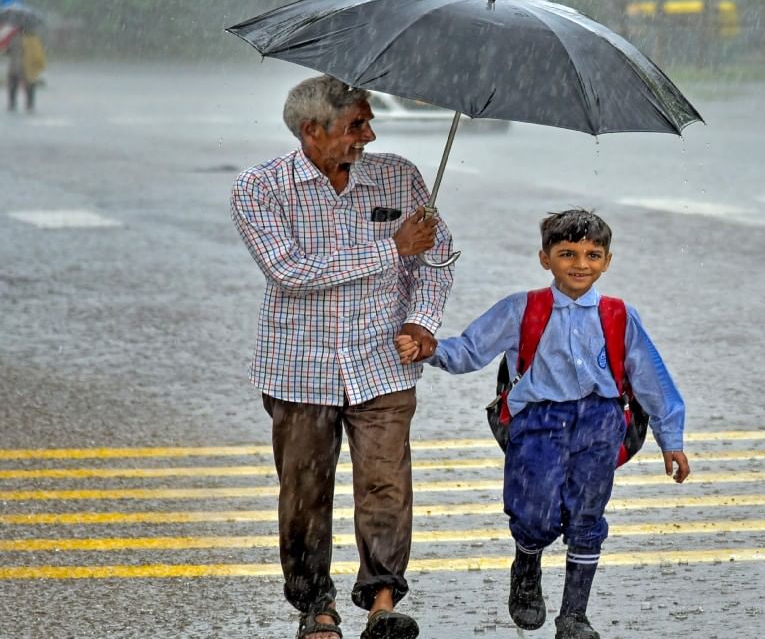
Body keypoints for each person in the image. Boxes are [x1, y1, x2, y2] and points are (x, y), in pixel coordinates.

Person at [395, 209, 691, 639]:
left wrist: (672, 439)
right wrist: (430, 348)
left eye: (593, 254)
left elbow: (651, 378)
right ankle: (528, 560)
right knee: (535, 514)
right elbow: (471, 350)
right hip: (537, 423)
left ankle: (574, 616)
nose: (580, 264)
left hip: (600, 422)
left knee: (588, 517)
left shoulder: (619, 315)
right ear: (544, 258)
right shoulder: (523, 308)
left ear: (608, 261)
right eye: (567, 253)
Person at [231, 74, 454, 639]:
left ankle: (383, 602)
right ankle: (316, 605)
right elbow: (290, 271)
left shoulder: (398, 176)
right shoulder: (259, 189)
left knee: (387, 484)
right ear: (312, 130)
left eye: (368, 120)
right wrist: (391, 246)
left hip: (384, 361)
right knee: (305, 491)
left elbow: (438, 258)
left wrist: (421, 321)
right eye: (357, 124)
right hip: (298, 367)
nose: (370, 134)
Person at [6, 25, 43, 112]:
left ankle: (13, 104)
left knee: (15, 85)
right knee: (27, 85)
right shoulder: (32, 39)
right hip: (23, 66)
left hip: (18, 66)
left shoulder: (14, 38)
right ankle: (28, 104)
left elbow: (7, 51)